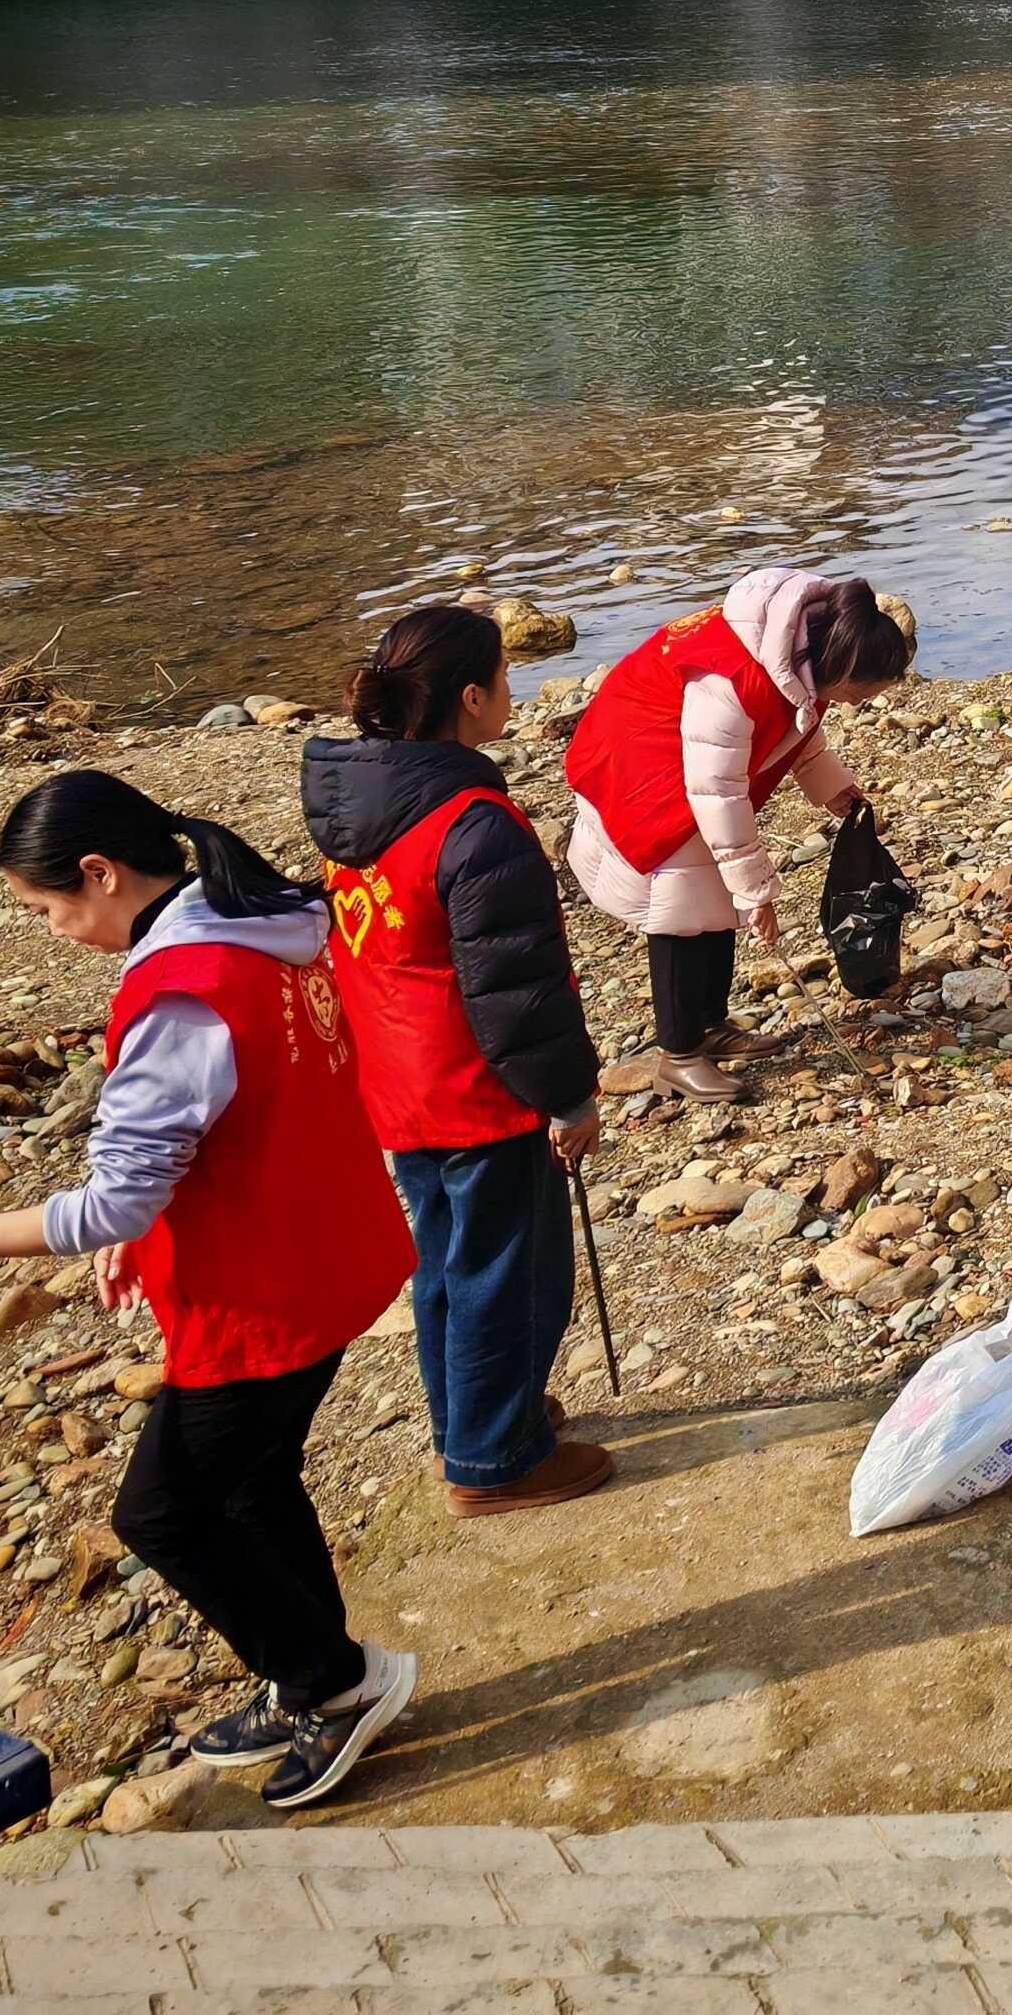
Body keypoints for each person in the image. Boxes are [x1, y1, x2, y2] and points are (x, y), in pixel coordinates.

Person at [0, 772, 417, 1812]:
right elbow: (240, 1114)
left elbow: (112, 1200)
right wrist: (146, 1218)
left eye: (44, 909)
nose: (53, 931)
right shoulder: (262, 926)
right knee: (253, 1480)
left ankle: (341, 1683)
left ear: (100, 874)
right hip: (335, 1250)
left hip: (264, 1299)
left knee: (161, 1514)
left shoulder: (183, 990)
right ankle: (308, 1677)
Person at [303, 604, 612, 1516]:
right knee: (505, 1274)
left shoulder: (356, 807)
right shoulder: (473, 821)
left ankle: (473, 1423)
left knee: (447, 1263)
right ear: (472, 698)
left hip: (397, 1084)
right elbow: (516, 989)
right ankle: (494, 1460)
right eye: (506, 679)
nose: (512, 693)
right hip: (477, 1090)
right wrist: (569, 1097)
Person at [563, 568, 913, 1099]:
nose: (854, 704)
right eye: (859, 693)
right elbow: (717, 789)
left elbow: (799, 729)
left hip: (692, 769)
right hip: (643, 769)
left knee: (712, 901)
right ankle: (679, 1053)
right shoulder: (732, 679)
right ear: (842, 669)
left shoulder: (803, 650)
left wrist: (833, 788)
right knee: (679, 910)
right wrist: (756, 893)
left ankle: (710, 1023)